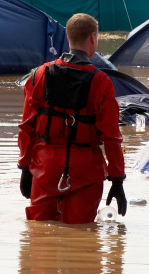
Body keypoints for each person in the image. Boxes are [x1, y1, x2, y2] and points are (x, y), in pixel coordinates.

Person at [18, 13, 126, 224]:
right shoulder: (102, 82)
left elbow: (26, 127)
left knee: (39, 238)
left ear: (68, 38)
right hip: (86, 171)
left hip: (44, 168)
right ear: (93, 38)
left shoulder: (38, 75)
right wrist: (117, 179)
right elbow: (112, 136)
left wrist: (24, 168)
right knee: (80, 233)